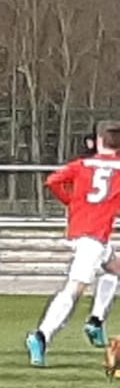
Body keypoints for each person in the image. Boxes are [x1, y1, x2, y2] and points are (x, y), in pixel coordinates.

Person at [26, 123, 120, 366]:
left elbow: (53, 181)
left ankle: (96, 320)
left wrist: (72, 201)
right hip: (93, 238)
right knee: (74, 290)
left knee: (114, 269)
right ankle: (41, 336)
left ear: (98, 141)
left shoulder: (82, 164)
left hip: (87, 232)